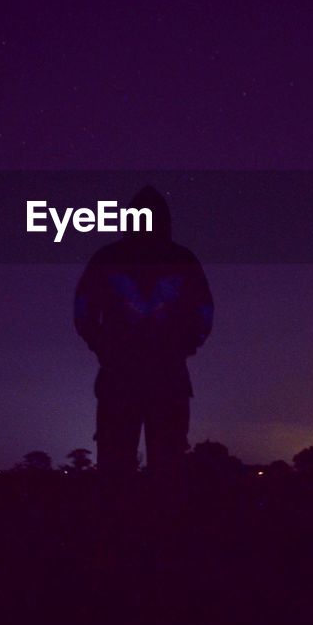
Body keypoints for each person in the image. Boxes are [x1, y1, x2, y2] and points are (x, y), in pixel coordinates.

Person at [73, 185, 213, 477]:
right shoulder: (182, 259)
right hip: (159, 378)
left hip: (127, 377)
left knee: (122, 467)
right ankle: (157, 521)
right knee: (161, 466)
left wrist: (102, 346)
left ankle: (126, 522)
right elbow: (203, 313)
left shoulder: (108, 258)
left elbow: (83, 311)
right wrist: (183, 347)